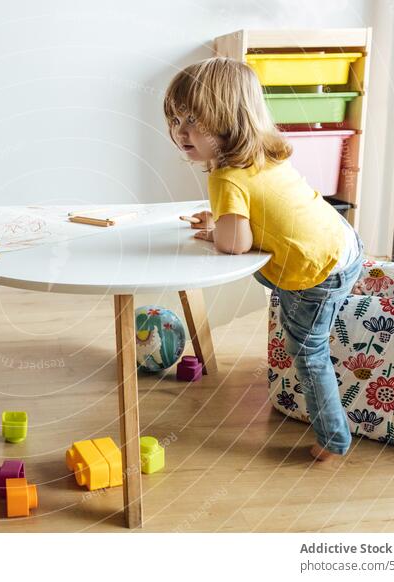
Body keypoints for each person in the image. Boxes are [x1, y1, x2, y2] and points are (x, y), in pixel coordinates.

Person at [164, 57, 365, 461]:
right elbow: (261, 209)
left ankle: (334, 438)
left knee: (308, 353)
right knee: (281, 296)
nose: (180, 131)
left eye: (192, 120)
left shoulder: (224, 175)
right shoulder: (264, 153)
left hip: (317, 270)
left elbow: (236, 244)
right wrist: (224, 219)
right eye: (174, 118)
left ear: (228, 120)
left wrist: (219, 230)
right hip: (343, 241)